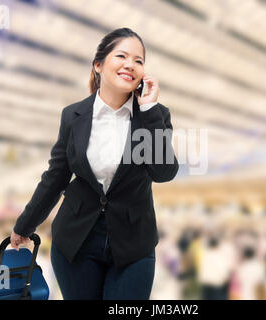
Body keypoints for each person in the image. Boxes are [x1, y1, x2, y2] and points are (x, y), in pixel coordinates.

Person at [10, 27, 179, 300]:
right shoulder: (73, 116)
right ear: (98, 65)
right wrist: (24, 226)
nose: (130, 65)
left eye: (138, 60)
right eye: (122, 56)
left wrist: (148, 112)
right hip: (76, 243)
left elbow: (163, 173)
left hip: (133, 245)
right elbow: (56, 177)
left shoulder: (154, 115)